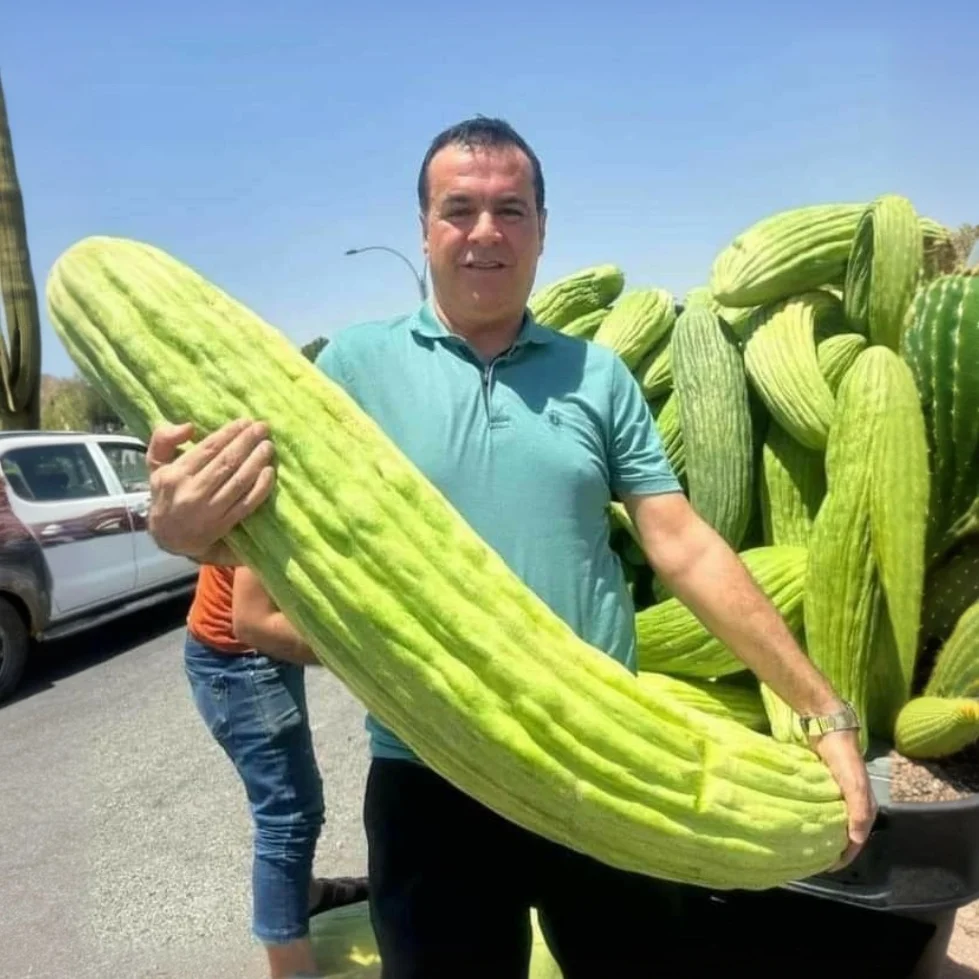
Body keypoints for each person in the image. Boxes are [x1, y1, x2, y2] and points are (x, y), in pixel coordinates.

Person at [145, 116, 876, 978]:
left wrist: (821, 710)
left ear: (541, 229)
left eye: (510, 210)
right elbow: (265, 612)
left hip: (608, 766)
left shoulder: (596, 374)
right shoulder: (346, 372)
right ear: (421, 228)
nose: (485, 231)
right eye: (458, 210)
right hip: (429, 783)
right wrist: (186, 533)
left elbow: (682, 546)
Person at [183, 563, 368, 979]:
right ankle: (290, 970)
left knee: (294, 806)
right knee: (286, 819)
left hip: (245, 660)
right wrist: (362, 652)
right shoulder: (275, 495)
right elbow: (252, 622)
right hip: (240, 665)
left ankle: (304, 897)